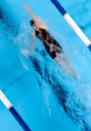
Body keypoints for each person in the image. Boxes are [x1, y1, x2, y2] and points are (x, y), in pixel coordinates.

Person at [24, 5, 78, 78]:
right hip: (49, 49)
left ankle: (75, 73)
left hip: (54, 44)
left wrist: (28, 10)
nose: (35, 26)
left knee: (66, 61)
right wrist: (31, 51)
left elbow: (35, 18)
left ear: (37, 23)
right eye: (33, 25)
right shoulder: (34, 33)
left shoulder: (42, 26)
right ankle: (71, 75)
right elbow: (33, 43)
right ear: (32, 26)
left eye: (35, 24)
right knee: (61, 64)